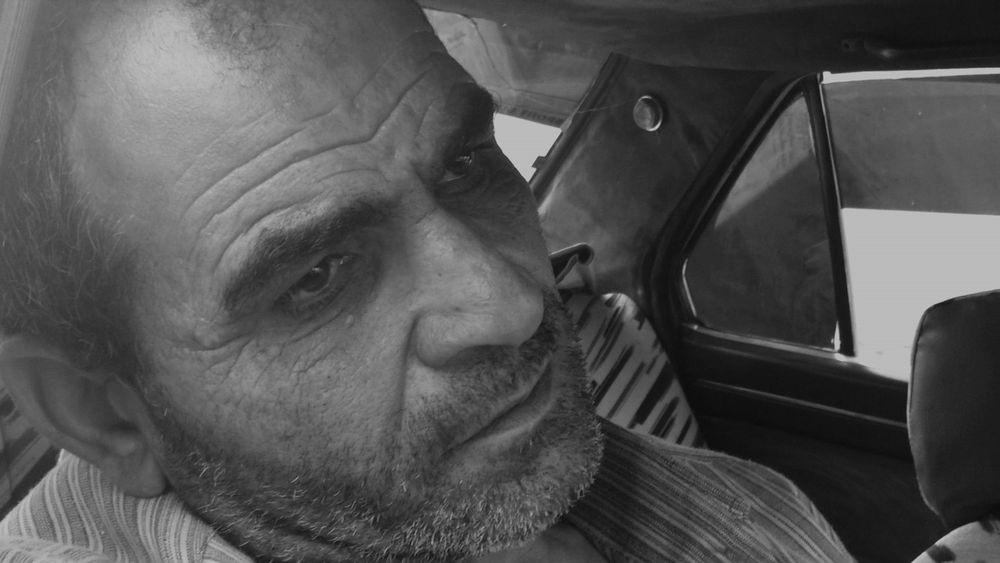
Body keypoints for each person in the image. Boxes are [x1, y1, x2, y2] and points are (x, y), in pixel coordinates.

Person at [0, 1, 852, 561]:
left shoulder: (742, 508)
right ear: (104, 414)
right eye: (316, 278)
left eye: (467, 166)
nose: (512, 304)